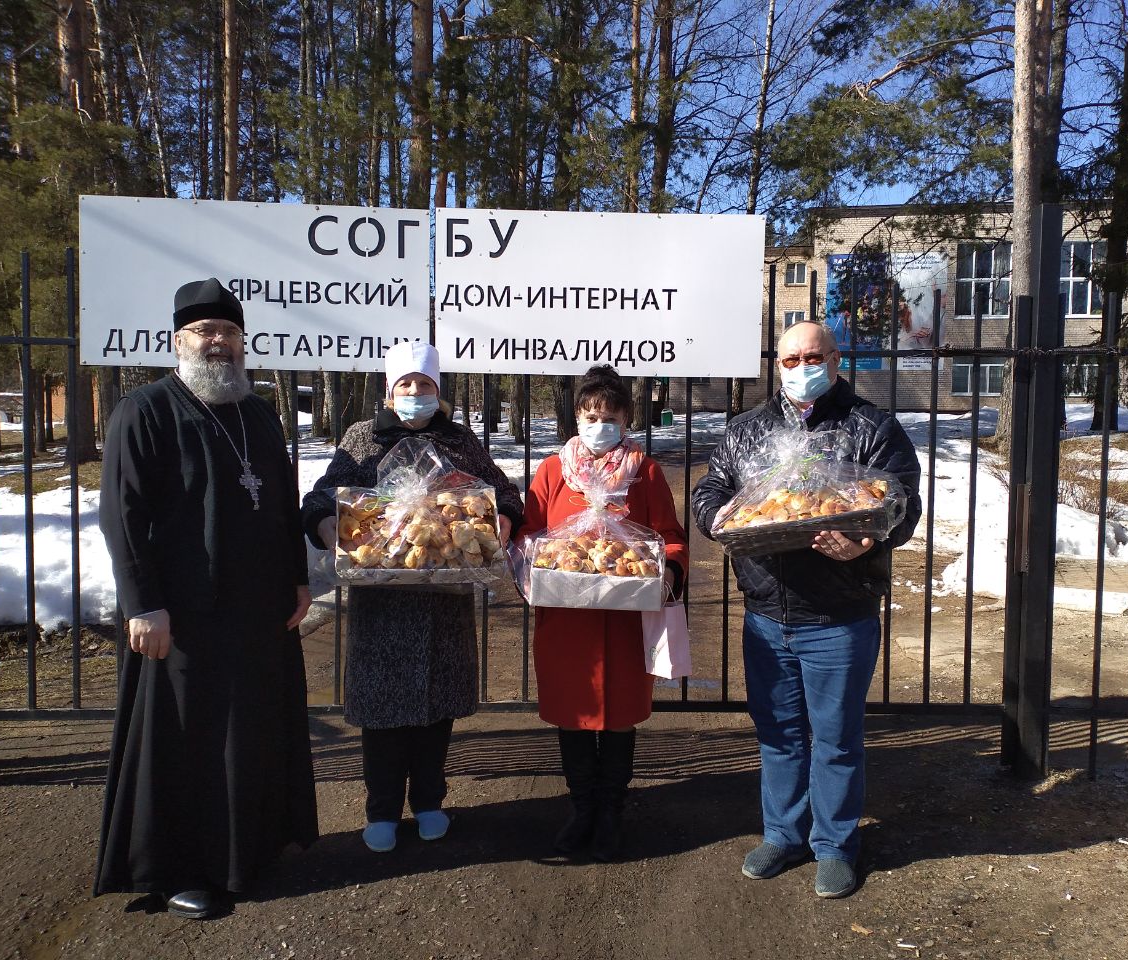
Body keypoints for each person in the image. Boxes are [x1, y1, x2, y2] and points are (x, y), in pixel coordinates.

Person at [96, 278, 318, 920]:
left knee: (251, 731)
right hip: (183, 614)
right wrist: (143, 603)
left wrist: (296, 578)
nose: (217, 342)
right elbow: (123, 515)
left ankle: (248, 849)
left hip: (256, 610)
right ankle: (180, 868)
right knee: (187, 739)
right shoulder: (144, 410)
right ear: (178, 341)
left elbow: (276, 503)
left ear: (242, 342)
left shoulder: (257, 412)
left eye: (228, 332)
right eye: (204, 332)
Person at [691, 320, 921, 899]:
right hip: (767, 611)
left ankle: (836, 844)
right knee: (778, 734)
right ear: (777, 363)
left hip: (840, 614)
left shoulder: (871, 426)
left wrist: (867, 542)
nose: (801, 368)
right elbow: (710, 492)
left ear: (836, 359)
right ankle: (782, 834)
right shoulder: (747, 430)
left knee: (838, 737)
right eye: (791, 359)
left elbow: (901, 501)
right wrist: (724, 523)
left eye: (813, 356)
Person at [301, 341, 523, 855]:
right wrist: (326, 519)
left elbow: (500, 489)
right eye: (406, 385)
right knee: (382, 708)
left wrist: (506, 516)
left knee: (436, 705)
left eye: (424, 386)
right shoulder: (364, 438)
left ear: (438, 393)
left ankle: (428, 800)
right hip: (382, 595)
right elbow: (323, 492)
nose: (415, 394)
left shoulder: (458, 440)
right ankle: (381, 807)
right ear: (389, 390)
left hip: (444, 592)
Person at [515, 365, 688, 862]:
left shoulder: (645, 471)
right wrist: (538, 565)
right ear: (576, 417)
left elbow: (669, 536)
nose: (599, 425)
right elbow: (529, 533)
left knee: (618, 718)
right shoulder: (552, 470)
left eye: (610, 416)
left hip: (624, 619)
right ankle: (581, 808)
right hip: (567, 618)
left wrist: (669, 572)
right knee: (573, 717)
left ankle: (611, 808)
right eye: (591, 415)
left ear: (627, 419)